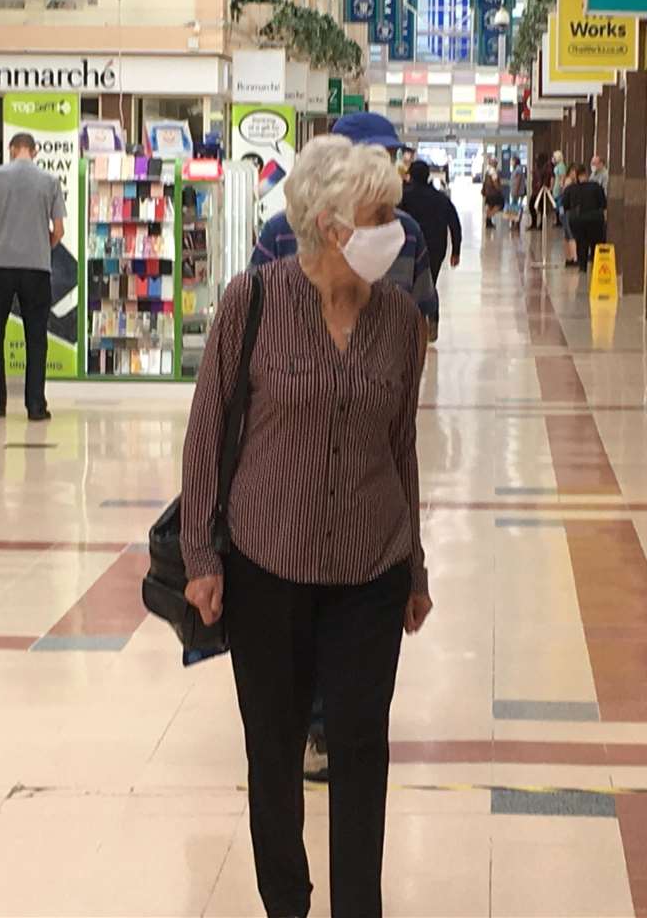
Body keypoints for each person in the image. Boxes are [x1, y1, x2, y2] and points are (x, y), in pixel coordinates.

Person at [182, 135, 432, 918]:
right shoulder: (251, 301)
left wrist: (415, 567)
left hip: (371, 565)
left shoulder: (399, 320)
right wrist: (200, 555)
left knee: (362, 750)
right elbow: (206, 430)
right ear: (330, 226)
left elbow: (402, 446)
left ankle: (360, 906)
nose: (397, 228)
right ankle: (285, 903)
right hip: (267, 563)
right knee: (274, 750)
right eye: (379, 215)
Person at [249, 110, 434, 786]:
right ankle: (307, 722)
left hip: (372, 429)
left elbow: (418, 319)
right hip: (285, 497)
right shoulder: (281, 243)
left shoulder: (400, 231)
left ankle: (328, 725)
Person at [251, 113, 440, 331]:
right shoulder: (281, 230)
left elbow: (420, 313)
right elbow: (253, 308)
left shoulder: (406, 233)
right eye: (371, 157)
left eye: (387, 156)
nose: (380, 168)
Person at [0, 132, 66, 422]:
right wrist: (41, 242)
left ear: (12, 150)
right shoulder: (50, 182)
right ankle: (36, 406)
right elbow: (59, 230)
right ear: (35, 151)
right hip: (37, 266)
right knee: (36, 337)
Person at [401, 160, 461, 343]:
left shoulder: (403, 196)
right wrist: (455, 250)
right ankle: (432, 320)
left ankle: (410, 325)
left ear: (410, 175)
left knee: (408, 286)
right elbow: (454, 223)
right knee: (429, 283)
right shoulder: (440, 198)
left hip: (408, 247)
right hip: (435, 248)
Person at [561, 163, 608, 274]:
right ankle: (598, 267)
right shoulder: (596, 186)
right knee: (596, 243)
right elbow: (603, 204)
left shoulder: (570, 189)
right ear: (585, 174)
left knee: (581, 243)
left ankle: (582, 267)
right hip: (595, 220)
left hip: (577, 220)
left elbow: (565, 205)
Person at [510, 156, 528, 229]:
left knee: (515, 207)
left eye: (512, 161)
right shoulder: (515, 169)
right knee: (514, 206)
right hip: (515, 190)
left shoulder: (518, 169)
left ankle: (516, 222)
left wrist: (516, 190)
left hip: (517, 191)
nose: (511, 162)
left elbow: (518, 180)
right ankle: (514, 221)